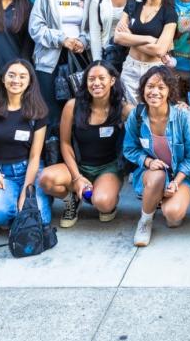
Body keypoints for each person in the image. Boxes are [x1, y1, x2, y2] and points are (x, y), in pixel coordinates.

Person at [39, 61, 132, 227]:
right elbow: (65, 144)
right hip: (78, 166)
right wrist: (77, 178)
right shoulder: (72, 106)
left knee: (103, 203)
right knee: (46, 179)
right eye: (91, 79)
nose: (96, 83)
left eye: (101, 78)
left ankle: (104, 197)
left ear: (112, 81)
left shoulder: (123, 109)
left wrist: (179, 106)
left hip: (108, 168)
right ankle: (72, 201)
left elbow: (146, 116)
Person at [123, 65, 190, 246]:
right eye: (150, 86)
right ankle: (145, 221)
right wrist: (148, 161)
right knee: (157, 176)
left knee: (173, 216)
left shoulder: (184, 116)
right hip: (152, 173)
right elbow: (129, 148)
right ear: (143, 89)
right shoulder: (137, 115)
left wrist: (176, 182)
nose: (154, 92)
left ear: (169, 91)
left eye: (161, 87)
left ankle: (159, 199)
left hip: (180, 176)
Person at [28, 0, 97, 136]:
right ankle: (52, 155)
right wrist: (62, 39)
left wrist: (83, 41)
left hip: (79, 57)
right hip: (50, 59)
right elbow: (35, 27)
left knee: (79, 107)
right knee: (50, 110)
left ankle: (74, 152)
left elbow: (95, 29)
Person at [0, 59, 51, 227]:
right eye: (12, 75)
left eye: (22, 76)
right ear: (3, 79)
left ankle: (26, 202)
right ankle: (13, 210)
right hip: (1, 173)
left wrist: (27, 189)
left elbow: (35, 156)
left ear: (30, 81)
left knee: (40, 220)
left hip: (30, 170)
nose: (16, 80)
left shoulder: (38, 113)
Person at [114, 0, 178, 105]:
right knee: (128, 113)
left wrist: (130, 38)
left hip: (155, 71)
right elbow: (118, 37)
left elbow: (160, 50)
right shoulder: (132, 6)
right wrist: (148, 39)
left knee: (151, 113)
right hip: (130, 68)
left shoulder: (169, 12)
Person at [88, 0, 139, 68]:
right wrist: (98, 63)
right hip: (108, 56)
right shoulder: (98, 0)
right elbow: (95, 35)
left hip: (134, 57)